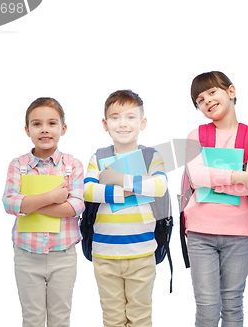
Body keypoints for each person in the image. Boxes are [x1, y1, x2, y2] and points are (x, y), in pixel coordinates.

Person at [184, 71, 248, 327]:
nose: (206, 100)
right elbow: (196, 178)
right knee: (207, 308)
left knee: (232, 304)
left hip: (239, 233)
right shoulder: (195, 135)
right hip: (199, 232)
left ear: (231, 91)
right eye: (199, 99)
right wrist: (239, 176)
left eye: (211, 92)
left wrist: (219, 180)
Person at [83, 89, 168, 327]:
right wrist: (134, 189)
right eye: (115, 117)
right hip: (104, 253)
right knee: (112, 318)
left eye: (130, 117)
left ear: (142, 122)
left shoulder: (152, 156)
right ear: (105, 123)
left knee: (140, 317)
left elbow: (160, 186)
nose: (123, 124)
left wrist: (118, 179)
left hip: (142, 252)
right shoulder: (98, 156)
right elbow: (88, 190)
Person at [2, 97, 85, 327]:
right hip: (27, 255)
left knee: (60, 318)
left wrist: (29, 205)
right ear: (27, 129)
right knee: (32, 318)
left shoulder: (72, 165)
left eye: (52, 123)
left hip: (63, 255)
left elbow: (76, 206)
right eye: (37, 124)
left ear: (63, 128)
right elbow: (10, 203)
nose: (44, 129)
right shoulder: (18, 165)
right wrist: (51, 198)